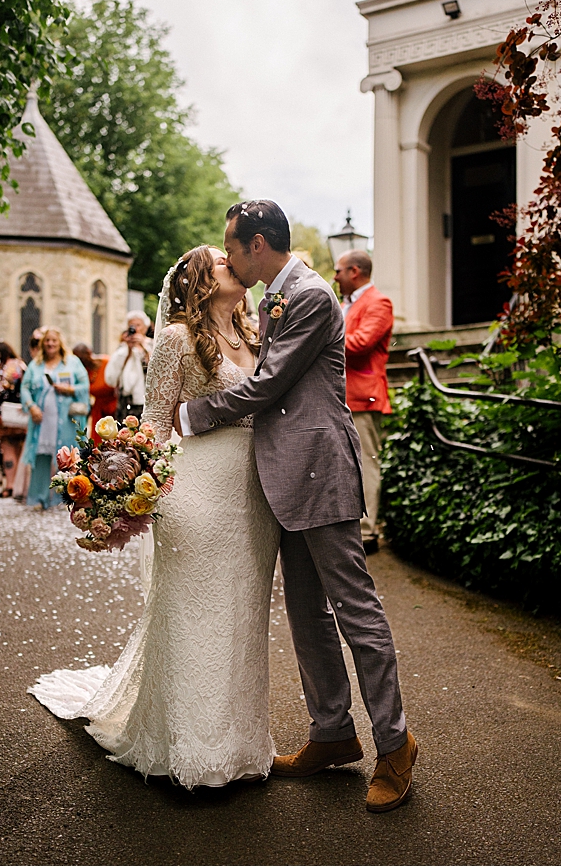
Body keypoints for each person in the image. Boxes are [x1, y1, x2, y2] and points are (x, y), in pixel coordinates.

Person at [177, 200, 416, 812]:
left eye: (232, 246)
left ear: (257, 244)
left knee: (357, 612)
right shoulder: (273, 298)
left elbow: (269, 384)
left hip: (320, 473)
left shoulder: (309, 295)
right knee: (307, 614)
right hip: (283, 477)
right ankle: (332, 733)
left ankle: (395, 746)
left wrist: (192, 415)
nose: (228, 256)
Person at [28, 245, 280, 788]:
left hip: (254, 499)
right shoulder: (175, 339)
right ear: (200, 282)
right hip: (195, 494)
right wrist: (129, 498)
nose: (234, 262)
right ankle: (185, 748)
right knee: (195, 613)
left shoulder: (256, 335)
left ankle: (236, 745)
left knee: (242, 616)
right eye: (221, 261)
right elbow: (155, 425)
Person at [336, 249, 392, 553]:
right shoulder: (346, 303)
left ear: (354, 272)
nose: (335, 277)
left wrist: (319, 333)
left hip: (364, 396)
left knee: (366, 464)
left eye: (339, 271)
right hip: (341, 396)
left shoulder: (379, 302)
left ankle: (367, 532)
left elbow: (360, 344)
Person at [19, 328, 87, 510]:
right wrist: (31, 406)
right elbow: (24, 388)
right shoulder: (36, 365)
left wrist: (70, 389)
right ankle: (38, 498)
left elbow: (84, 385)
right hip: (42, 420)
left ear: (60, 343)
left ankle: (64, 497)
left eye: (53, 340)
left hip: (65, 419)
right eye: (47, 340)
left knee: (66, 458)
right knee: (40, 457)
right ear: (43, 344)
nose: (50, 343)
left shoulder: (72, 362)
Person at [0, 341, 25, 499]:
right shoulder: (21, 364)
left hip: (6, 414)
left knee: (8, 449)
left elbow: (5, 386)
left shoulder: (9, 366)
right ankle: (19, 485)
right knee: (19, 449)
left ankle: (10, 485)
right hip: (20, 414)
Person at [105, 311, 152, 422]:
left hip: (147, 400)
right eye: (132, 325)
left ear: (145, 327)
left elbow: (157, 368)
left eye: (138, 325)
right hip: (126, 402)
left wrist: (143, 346)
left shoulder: (152, 345)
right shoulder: (122, 349)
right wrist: (129, 349)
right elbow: (111, 378)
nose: (135, 328)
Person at [71, 342, 116, 438]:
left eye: (81, 357)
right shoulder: (83, 372)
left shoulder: (107, 362)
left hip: (114, 408)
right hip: (98, 410)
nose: (79, 362)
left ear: (89, 353)